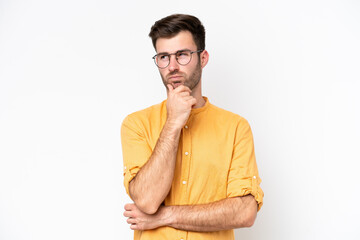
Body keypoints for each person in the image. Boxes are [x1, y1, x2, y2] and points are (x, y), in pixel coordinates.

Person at [121, 14, 264, 240]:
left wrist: (163, 217)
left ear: (203, 57)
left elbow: (245, 212)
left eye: (182, 55)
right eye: (164, 57)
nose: (173, 67)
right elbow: (147, 200)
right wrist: (173, 123)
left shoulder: (236, 127)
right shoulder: (136, 124)